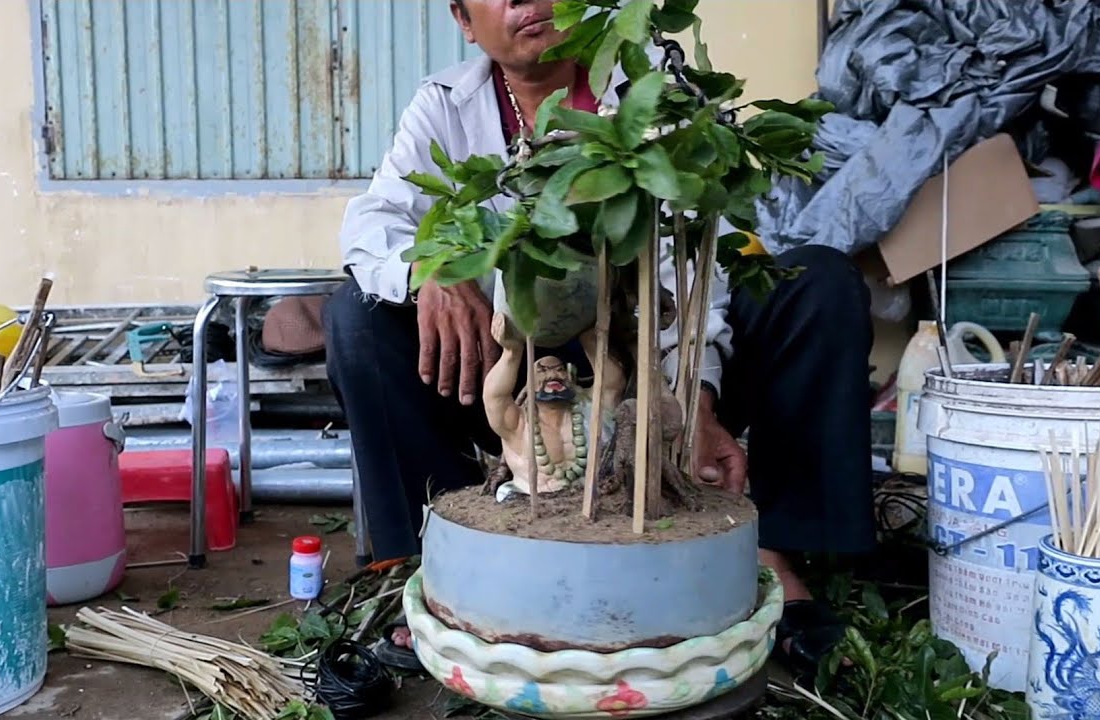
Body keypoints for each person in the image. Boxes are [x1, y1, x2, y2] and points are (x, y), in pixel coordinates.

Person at [324, 0, 875, 681]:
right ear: (466, 22)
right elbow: (374, 221)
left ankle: (779, 555)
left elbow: (688, 268)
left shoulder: (651, 91)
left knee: (818, 281)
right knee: (356, 315)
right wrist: (434, 266)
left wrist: (693, 401)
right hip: (522, 380)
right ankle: (441, 564)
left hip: (649, 363)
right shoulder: (444, 104)